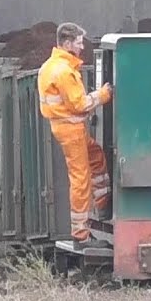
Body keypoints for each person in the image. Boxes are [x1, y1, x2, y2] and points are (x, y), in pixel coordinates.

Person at [37, 22, 112, 247]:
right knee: (80, 179)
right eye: (79, 43)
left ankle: (103, 204)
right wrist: (104, 94)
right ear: (67, 43)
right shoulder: (63, 71)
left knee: (96, 156)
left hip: (68, 128)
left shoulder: (52, 66)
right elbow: (80, 104)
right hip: (71, 130)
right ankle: (81, 235)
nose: (82, 47)